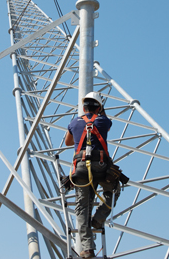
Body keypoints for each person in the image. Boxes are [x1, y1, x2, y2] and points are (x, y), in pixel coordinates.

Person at [65, 92, 120, 259]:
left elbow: (68, 142)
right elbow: (107, 126)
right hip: (102, 167)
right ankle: (99, 218)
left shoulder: (74, 123)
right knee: (114, 189)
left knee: (82, 206)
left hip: (81, 167)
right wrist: (101, 112)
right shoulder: (104, 121)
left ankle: (87, 248)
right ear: (99, 107)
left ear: (83, 107)